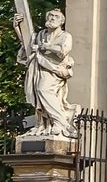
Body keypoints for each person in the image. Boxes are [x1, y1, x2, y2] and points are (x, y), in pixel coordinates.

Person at [23, 9, 78, 139]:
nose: (52, 18)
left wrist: (46, 47)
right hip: (39, 68)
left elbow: (63, 50)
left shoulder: (65, 36)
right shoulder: (41, 34)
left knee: (43, 90)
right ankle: (47, 124)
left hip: (55, 70)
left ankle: (61, 123)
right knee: (38, 93)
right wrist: (18, 27)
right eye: (51, 16)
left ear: (61, 22)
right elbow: (27, 45)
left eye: (56, 17)